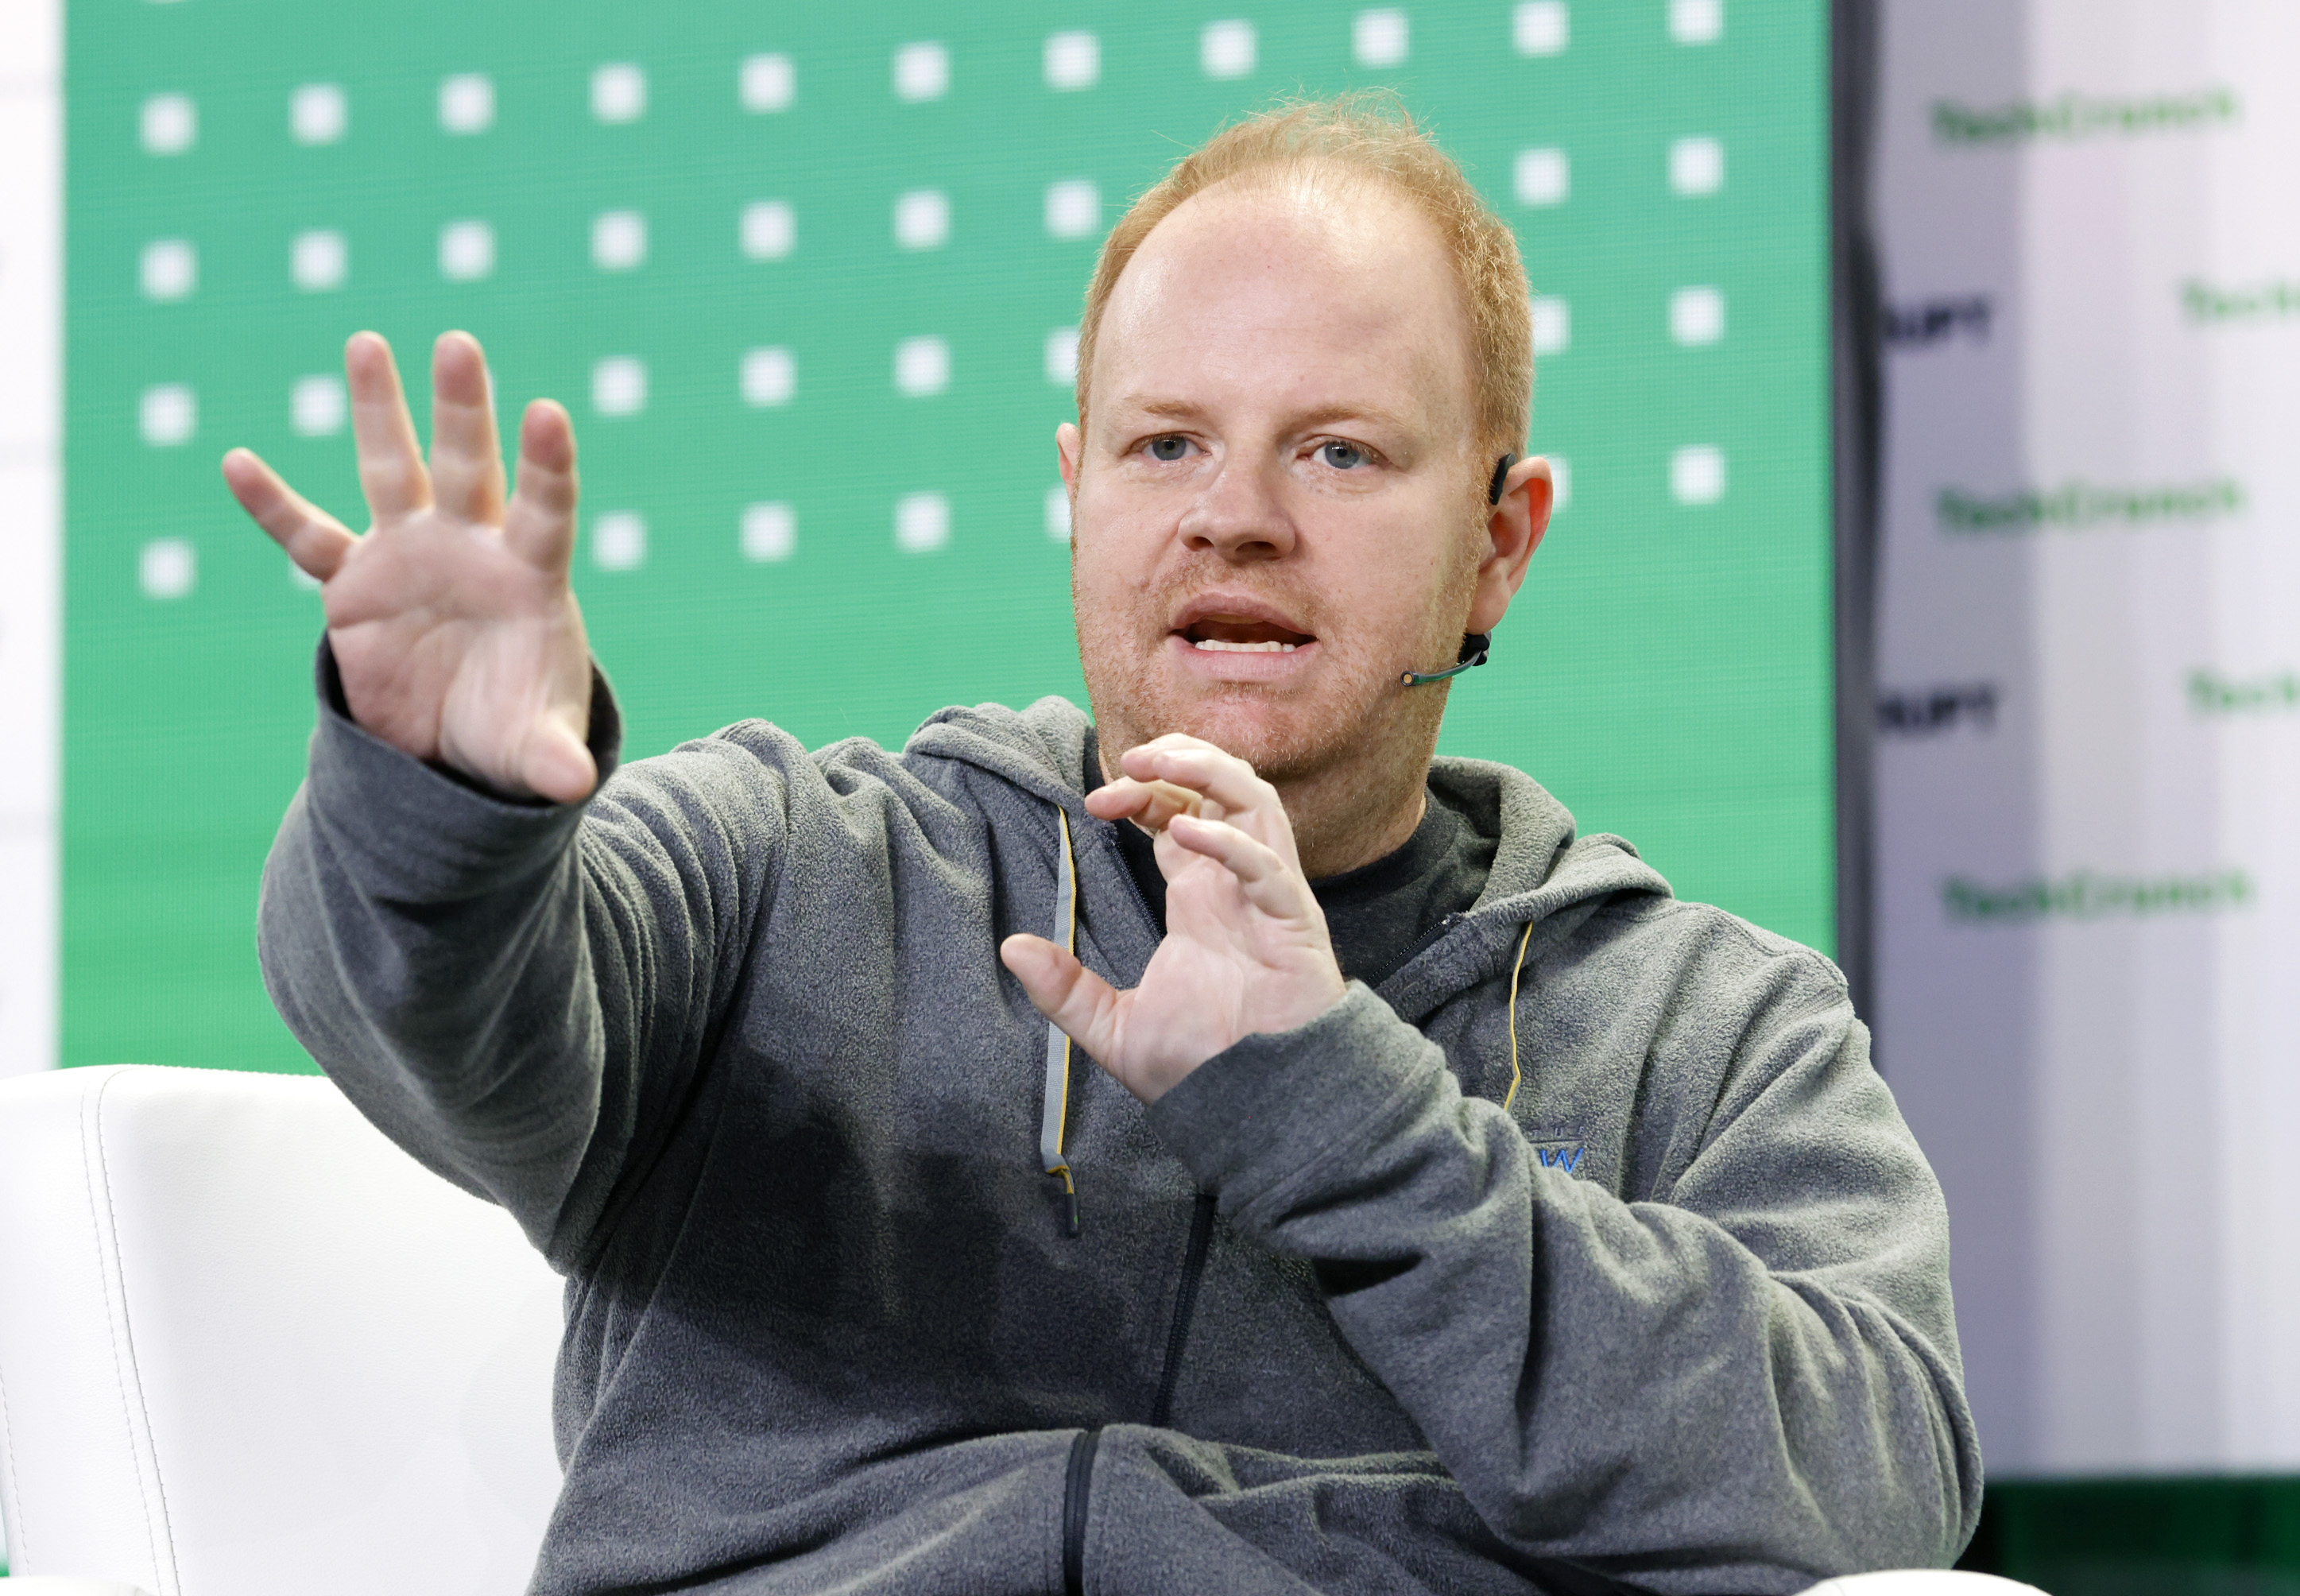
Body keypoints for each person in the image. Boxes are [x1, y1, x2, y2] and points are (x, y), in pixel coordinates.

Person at [229, 98, 1980, 1595]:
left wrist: (1336, 1107)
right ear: (1082, 487)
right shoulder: (797, 869)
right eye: (1165, 443)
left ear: (1498, 539)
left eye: (1339, 449)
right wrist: (445, 807)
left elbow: (1875, 1482)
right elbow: (457, 1030)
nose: (1233, 511)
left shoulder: (1710, 1026)